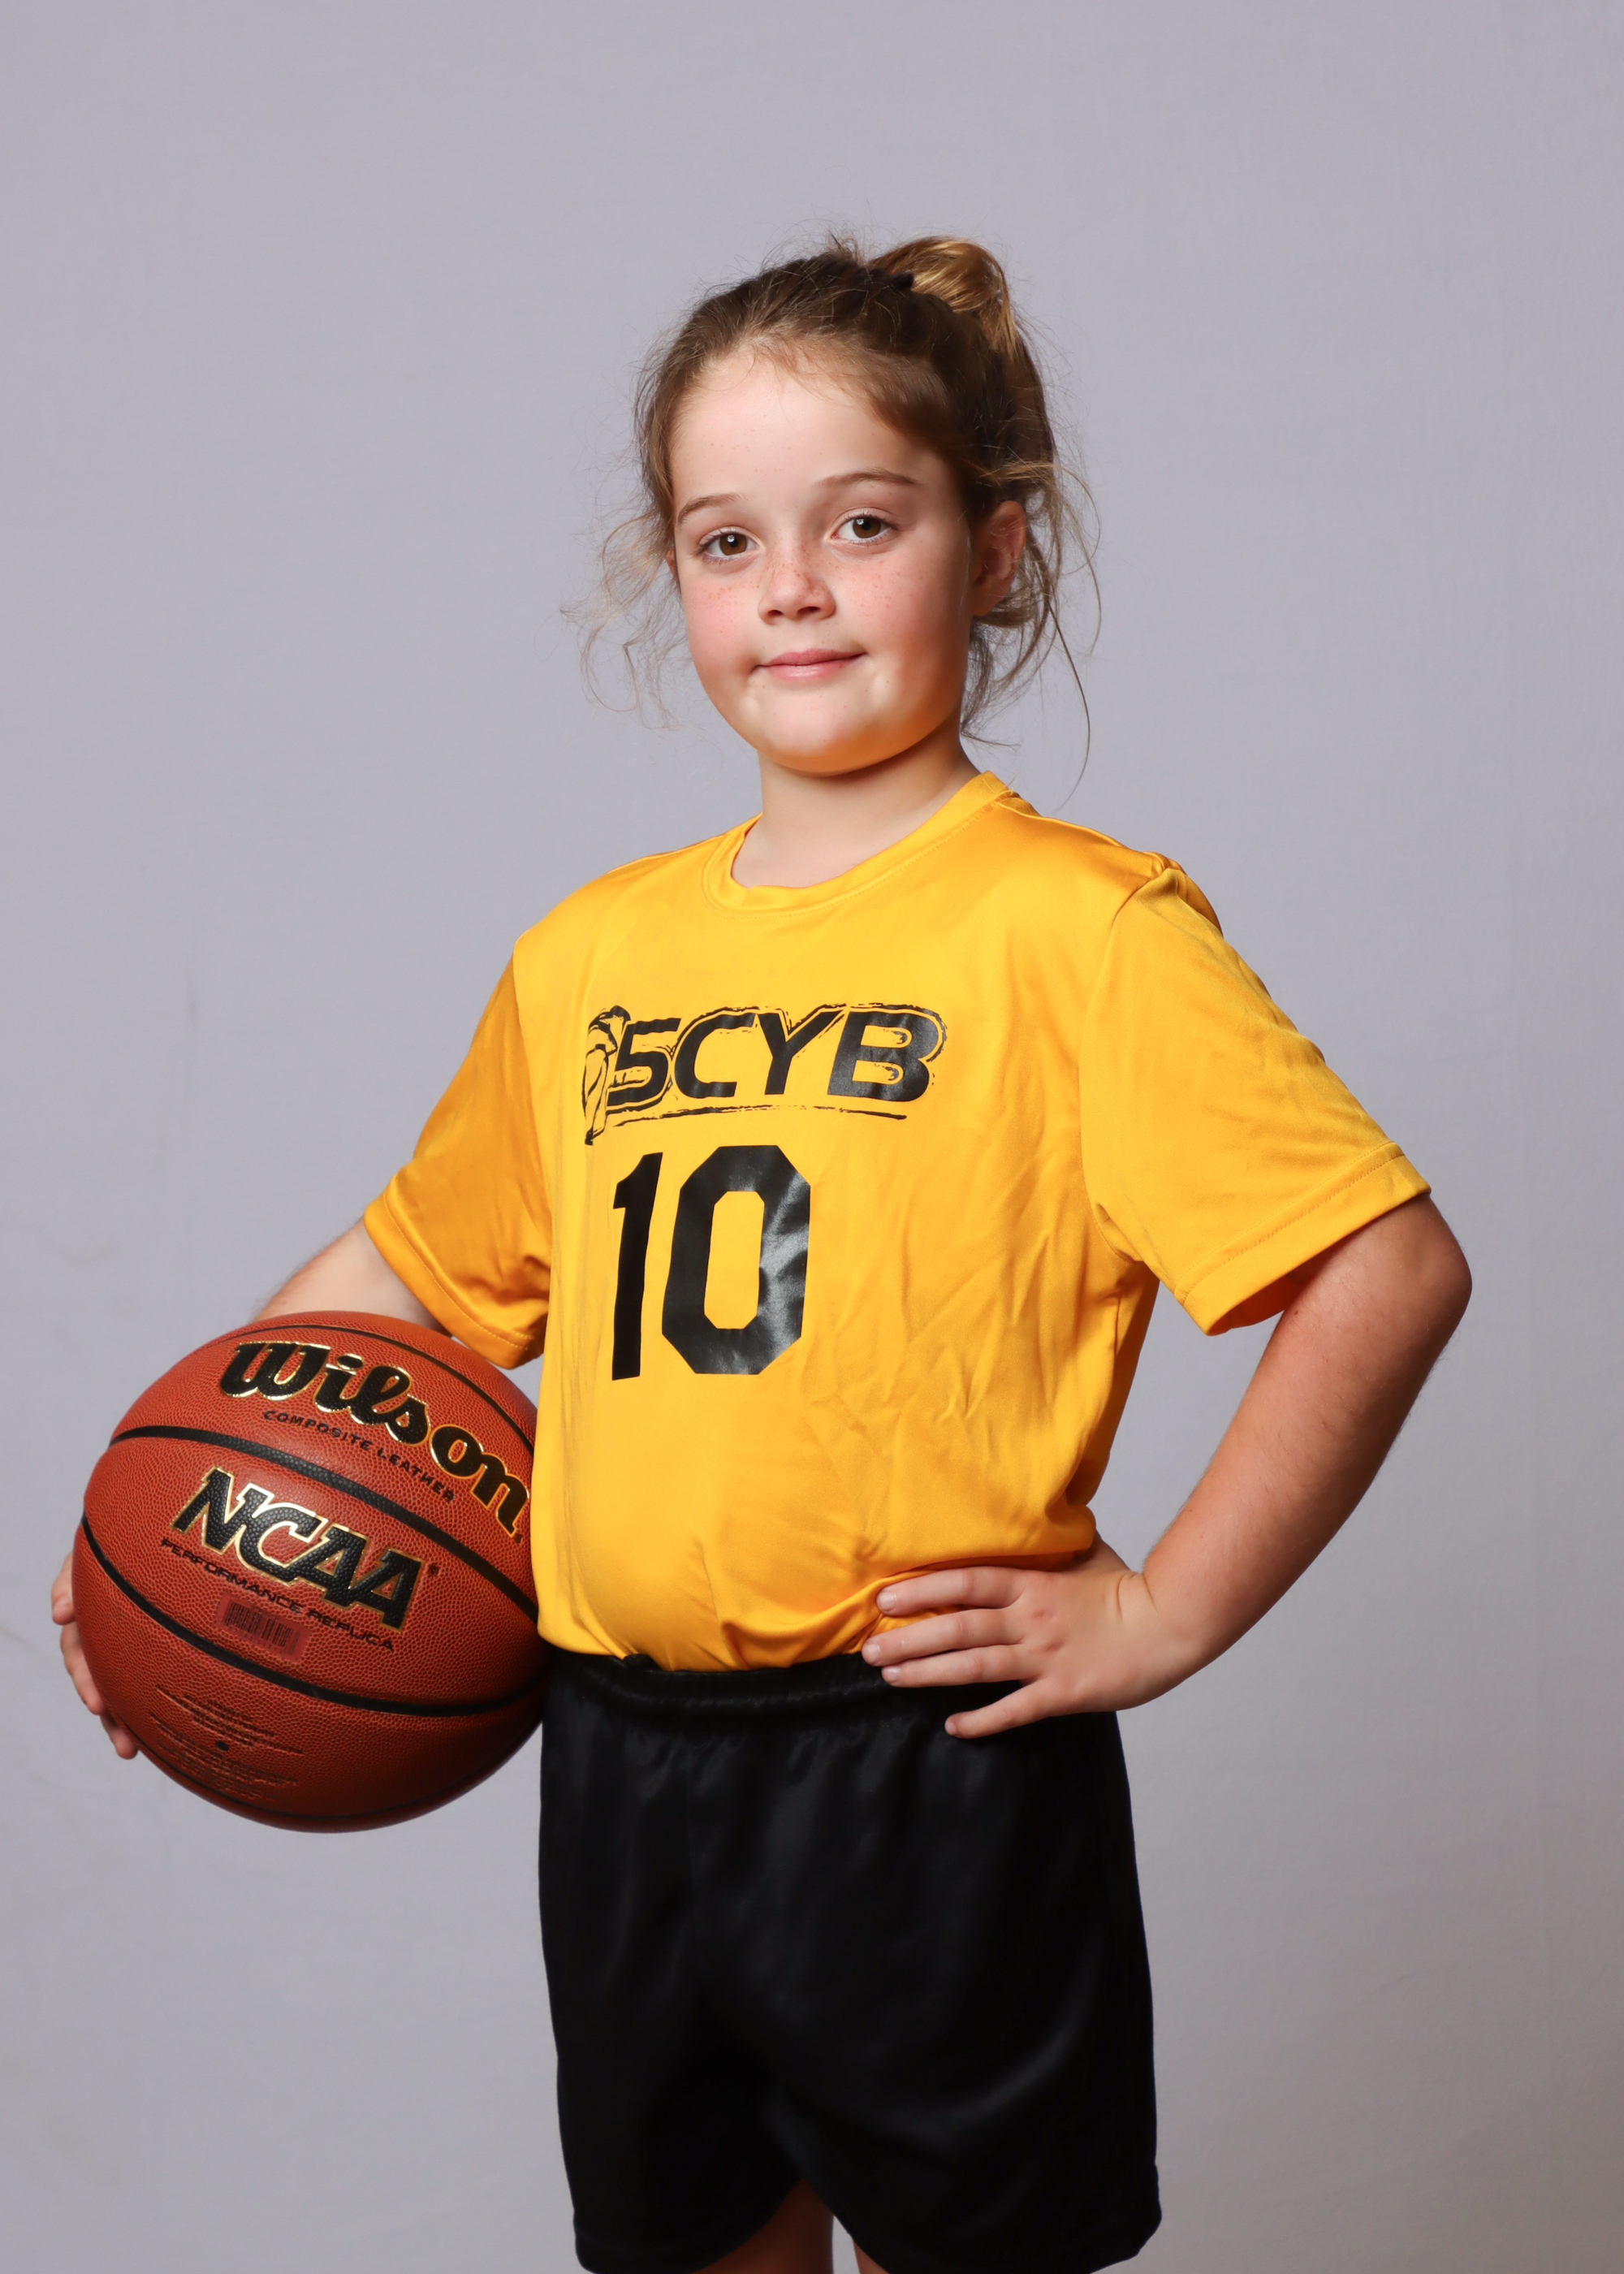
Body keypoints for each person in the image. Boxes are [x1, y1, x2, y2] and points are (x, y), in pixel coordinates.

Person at [54, 238, 1471, 2274]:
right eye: (730, 539)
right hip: (620, 1755)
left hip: (924, 1761)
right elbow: (411, 1276)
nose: (792, 586)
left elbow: (1385, 1269)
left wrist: (1164, 1609)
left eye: (861, 524)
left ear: (994, 549)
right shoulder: (594, 952)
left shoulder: (1078, 930)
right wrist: (164, 1514)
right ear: (675, 576)